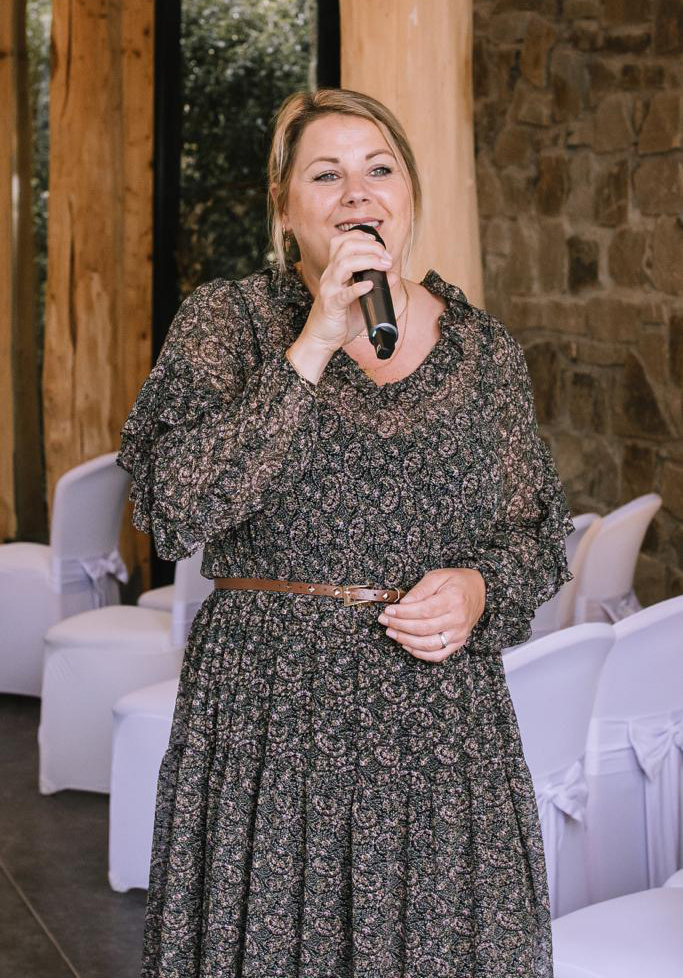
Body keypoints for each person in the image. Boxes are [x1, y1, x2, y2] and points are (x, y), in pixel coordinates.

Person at [118, 88, 573, 978]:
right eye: (326, 175)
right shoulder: (226, 323)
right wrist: (314, 342)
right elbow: (175, 509)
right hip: (270, 713)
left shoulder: (483, 350)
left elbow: (535, 533)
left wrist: (479, 589)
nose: (358, 193)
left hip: (441, 728)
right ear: (284, 207)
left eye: (379, 169)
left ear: (408, 195)